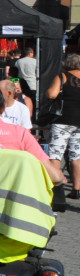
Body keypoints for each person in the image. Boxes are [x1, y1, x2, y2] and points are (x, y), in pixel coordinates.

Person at [46, 54, 80, 197]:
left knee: (56, 153)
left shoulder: (62, 76)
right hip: (79, 121)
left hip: (63, 120)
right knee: (76, 155)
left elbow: (52, 95)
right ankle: (76, 189)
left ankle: (56, 187)